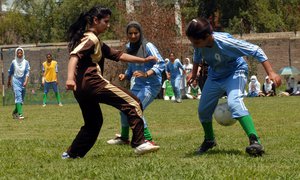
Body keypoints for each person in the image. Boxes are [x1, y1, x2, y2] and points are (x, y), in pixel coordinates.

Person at [62, 6, 160, 159]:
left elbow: (118, 55)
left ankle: (72, 154)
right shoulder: (90, 39)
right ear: (95, 20)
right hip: (93, 83)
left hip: (81, 90)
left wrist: (143, 60)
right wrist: (69, 78)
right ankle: (140, 142)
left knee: (93, 123)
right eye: (106, 22)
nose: (108, 25)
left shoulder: (94, 40)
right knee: (133, 102)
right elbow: (74, 56)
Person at [186, 18, 281, 156]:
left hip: (235, 72)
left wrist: (271, 72)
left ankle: (255, 141)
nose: (194, 45)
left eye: (196, 42)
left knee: (234, 102)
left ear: (207, 36)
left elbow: (256, 50)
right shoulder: (199, 44)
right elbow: (197, 54)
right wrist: (194, 73)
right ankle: (209, 140)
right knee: (203, 109)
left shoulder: (225, 42)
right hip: (215, 75)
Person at [107, 21, 165, 145]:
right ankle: (124, 137)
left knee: (135, 108)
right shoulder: (129, 47)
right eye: (130, 33)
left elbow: (161, 63)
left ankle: (148, 139)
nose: (133, 36)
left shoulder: (148, 46)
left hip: (151, 85)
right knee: (124, 107)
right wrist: (126, 74)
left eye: (136, 33)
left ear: (140, 33)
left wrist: (146, 73)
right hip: (138, 85)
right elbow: (132, 66)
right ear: (127, 34)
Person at [7, 47, 30, 120]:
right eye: (18, 53)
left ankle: (14, 112)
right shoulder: (13, 62)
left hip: (23, 81)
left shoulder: (26, 62)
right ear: (16, 54)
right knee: (18, 97)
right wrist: (9, 81)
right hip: (15, 81)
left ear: (23, 53)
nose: (19, 54)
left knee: (21, 100)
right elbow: (10, 72)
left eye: (21, 53)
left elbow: (27, 72)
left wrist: (26, 81)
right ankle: (20, 114)